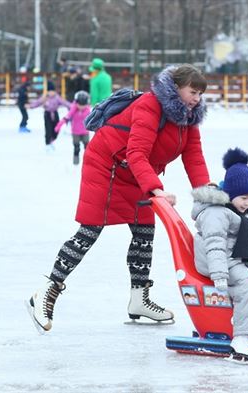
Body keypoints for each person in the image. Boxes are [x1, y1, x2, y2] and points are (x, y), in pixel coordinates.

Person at [27, 64, 210, 333]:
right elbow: (136, 152)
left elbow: (193, 156)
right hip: (107, 166)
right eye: (192, 92)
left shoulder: (188, 116)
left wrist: (207, 194)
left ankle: (139, 299)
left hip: (136, 173)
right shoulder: (150, 106)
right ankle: (46, 292)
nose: (196, 99)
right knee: (90, 230)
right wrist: (156, 189)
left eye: (200, 94)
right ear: (176, 87)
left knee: (145, 231)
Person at [191, 148, 248, 364]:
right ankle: (242, 339)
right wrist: (219, 274)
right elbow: (215, 245)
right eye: (243, 198)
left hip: (235, 256)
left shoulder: (242, 211)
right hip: (218, 262)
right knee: (247, 285)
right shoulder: (216, 213)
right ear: (231, 194)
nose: (247, 202)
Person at [28, 81, 71, 151]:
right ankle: (47, 144)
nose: (51, 93)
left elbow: (65, 103)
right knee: (48, 129)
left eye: (52, 91)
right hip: (47, 114)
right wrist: (30, 106)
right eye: (49, 91)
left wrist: (73, 106)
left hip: (55, 114)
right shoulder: (45, 97)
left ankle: (52, 140)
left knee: (56, 129)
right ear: (47, 91)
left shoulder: (57, 97)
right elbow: (38, 102)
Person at [54, 91, 91, 165]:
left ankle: (88, 162)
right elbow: (66, 118)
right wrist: (58, 126)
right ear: (76, 102)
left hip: (85, 132)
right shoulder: (73, 109)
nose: (81, 107)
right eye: (79, 104)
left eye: (83, 105)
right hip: (75, 132)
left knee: (87, 148)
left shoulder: (88, 110)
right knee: (76, 147)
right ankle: (76, 163)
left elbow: (94, 120)